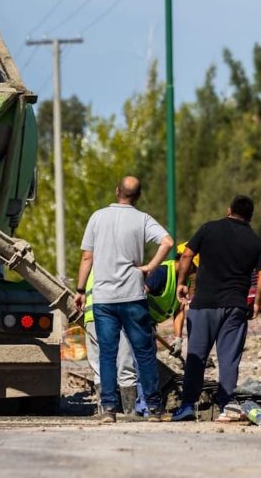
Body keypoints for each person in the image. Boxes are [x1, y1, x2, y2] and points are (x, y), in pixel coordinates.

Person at [74, 176, 174, 423]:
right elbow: (168, 242)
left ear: (117, 190)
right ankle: (154, 409)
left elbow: (87, 257)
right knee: (144, 353)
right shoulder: (142, 219)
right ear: (138, 196)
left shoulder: (97, 217)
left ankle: (109, 408)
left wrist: (79, 290)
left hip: (104, 299)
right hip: (133, 296)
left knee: (107, 354)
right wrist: (150, 266)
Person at [171, 195, 261, 422]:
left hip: (203, 305)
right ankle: (226, 407)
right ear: (250, 217)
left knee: (196, 357)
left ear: (228, 210)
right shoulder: (255, 241)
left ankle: (187, 406)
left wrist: (182, 282)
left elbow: (187, 254)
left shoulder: (209, 229)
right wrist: (256, 301)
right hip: (235, 307)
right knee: (229, 359)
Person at [81, 271, 143, 418]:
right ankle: (130, 412)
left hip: (91, 318)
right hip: (114, 318)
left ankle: (106, 412)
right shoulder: (118, 265)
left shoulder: (93, 268)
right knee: (125, 365)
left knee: (99, 366)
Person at [145, 242, 200, 357]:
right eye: (193, 267)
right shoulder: (162, 272)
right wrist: (141, 321)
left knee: (149, 355)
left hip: (150, 323)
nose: (194, 271)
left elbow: (179, 310)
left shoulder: (185, 282)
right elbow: (139, 296)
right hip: (138, 321)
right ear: (183, 259)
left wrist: (178, 338)